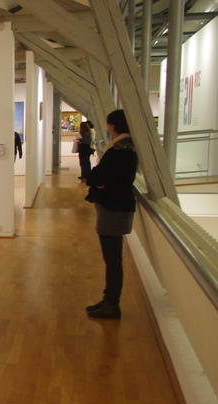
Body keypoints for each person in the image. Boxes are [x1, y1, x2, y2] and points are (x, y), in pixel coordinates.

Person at [84, 110, 137, 319]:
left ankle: (112, 304)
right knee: (112, 259)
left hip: (114, 209)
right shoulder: (125, 148)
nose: (107, 128)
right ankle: (108, 300)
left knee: (113, 260)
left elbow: (95, 177)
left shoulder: (119, 151)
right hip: (115, 207)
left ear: (114, 125)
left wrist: (99, 181)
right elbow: (99, 177)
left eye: (108, 124)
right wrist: (99, 180)